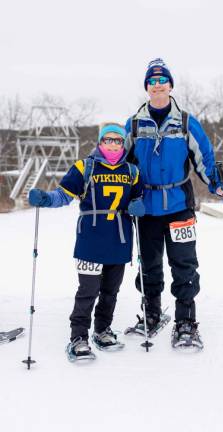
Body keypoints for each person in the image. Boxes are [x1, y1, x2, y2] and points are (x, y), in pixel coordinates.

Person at [125, 58, 223, 349]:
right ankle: (152, 313)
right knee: (148, 264)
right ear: (146, 87)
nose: (157, 86)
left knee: (183, 263)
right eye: (152, 82)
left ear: (171, 85)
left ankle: (186, 321)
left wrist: (217, 184)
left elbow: (204, 159)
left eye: (162, 81)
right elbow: (121, 164)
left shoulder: (185, 122)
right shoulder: (134, 124)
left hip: (178, 204)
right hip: (146, 206)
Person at [28, 123, 145, 360]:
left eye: (118, 140)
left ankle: (102, 330)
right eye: (108, 140)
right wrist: (46, 199)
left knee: (110, 291)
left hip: (119, 239)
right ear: (100, 142)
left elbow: (140, 197)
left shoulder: (132, 172)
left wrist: (139, 205)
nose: (113, 144)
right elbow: (63, 195)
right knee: (88, 291)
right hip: (91, 239)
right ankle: (78, 336)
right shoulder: (85, 167)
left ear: (123, 144)